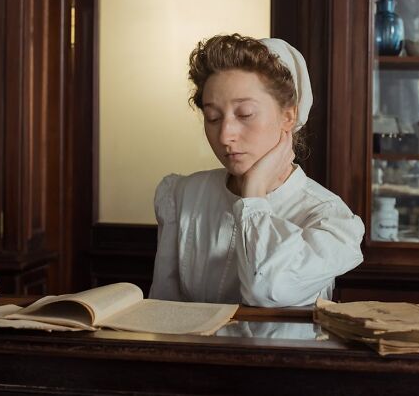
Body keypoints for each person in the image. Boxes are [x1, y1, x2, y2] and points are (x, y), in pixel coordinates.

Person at [149, 33, 364, 307]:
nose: (225, 135)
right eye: (212, 117)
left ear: (289, 116)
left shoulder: (329, 218)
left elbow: (267, 288)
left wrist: (254, 195)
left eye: (245, 114)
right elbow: (161, 309)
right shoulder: (182, 195)